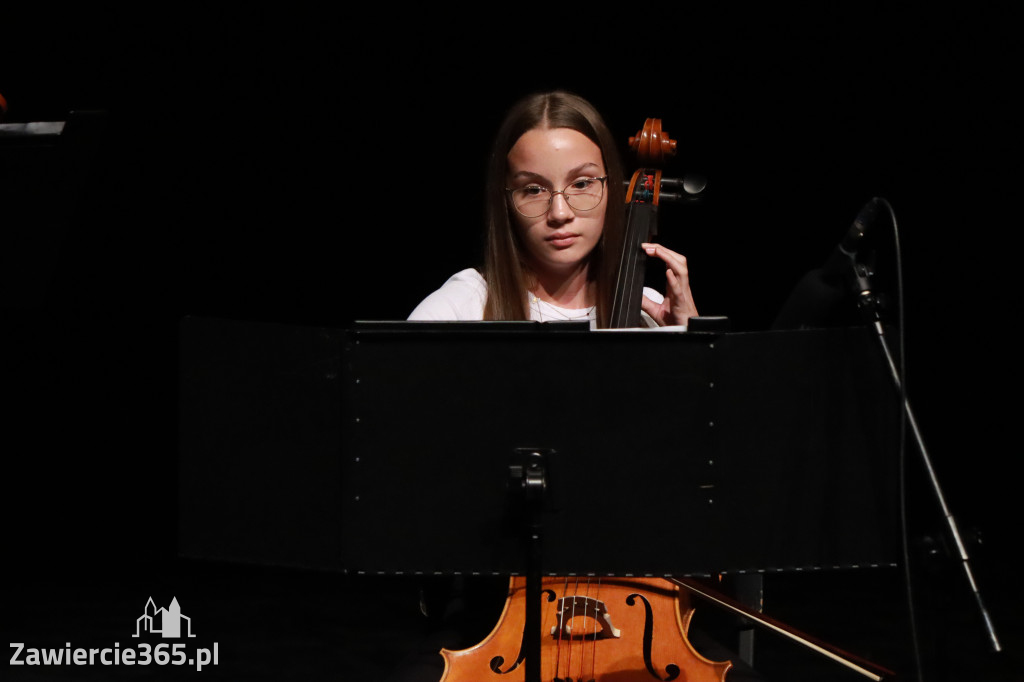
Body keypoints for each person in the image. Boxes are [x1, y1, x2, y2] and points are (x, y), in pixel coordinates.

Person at [408, 90, 698, 328]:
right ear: (506, 200)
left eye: (582, 184)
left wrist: (692, 340)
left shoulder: (648, 312)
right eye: (534, 190)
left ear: (611, 187)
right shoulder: (464, 306)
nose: (559, 214)